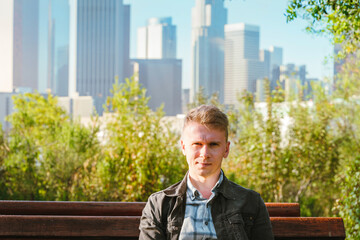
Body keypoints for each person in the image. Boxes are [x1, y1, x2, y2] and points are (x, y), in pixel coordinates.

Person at [139, 105, 274, 240]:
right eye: (197, 144)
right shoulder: (159, 204)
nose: (204, 154)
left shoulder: (251, 203)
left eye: (213, 144)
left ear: (226, 149)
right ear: (184, 147)